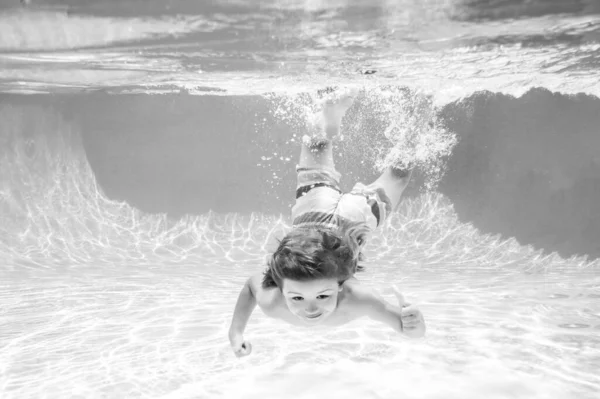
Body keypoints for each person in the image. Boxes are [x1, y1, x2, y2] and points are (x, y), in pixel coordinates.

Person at [228, 90, 426, 357]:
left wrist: (237, 331)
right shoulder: (276, 298)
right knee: (317, 143)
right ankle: (335, 112)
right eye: (297, 298)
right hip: (315, 210)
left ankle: (417, 114)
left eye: (322, 296)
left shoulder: (355, 300)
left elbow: (252, 287)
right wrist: (415, 323)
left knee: (398, 176)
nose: (311, 309)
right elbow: (409, 329)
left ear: (341, 284)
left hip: (349, 217)